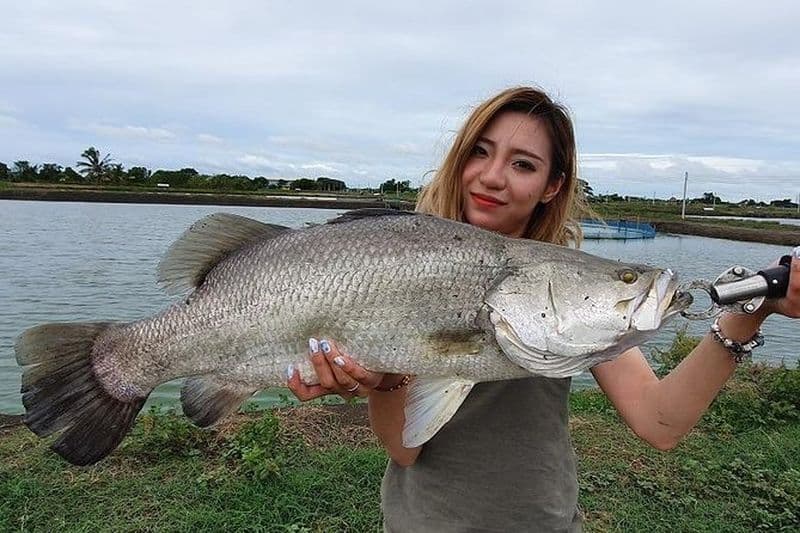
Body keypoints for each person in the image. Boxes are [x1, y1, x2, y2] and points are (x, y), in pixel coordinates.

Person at [286, 86, 800, 532]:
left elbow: (660, 422)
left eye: (523, 164)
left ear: (552, 186)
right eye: (479, 153)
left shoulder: (574, 299)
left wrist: (749, 314)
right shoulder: (399, 271)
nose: (491, 177)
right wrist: (385, 382)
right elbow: (404, 450)